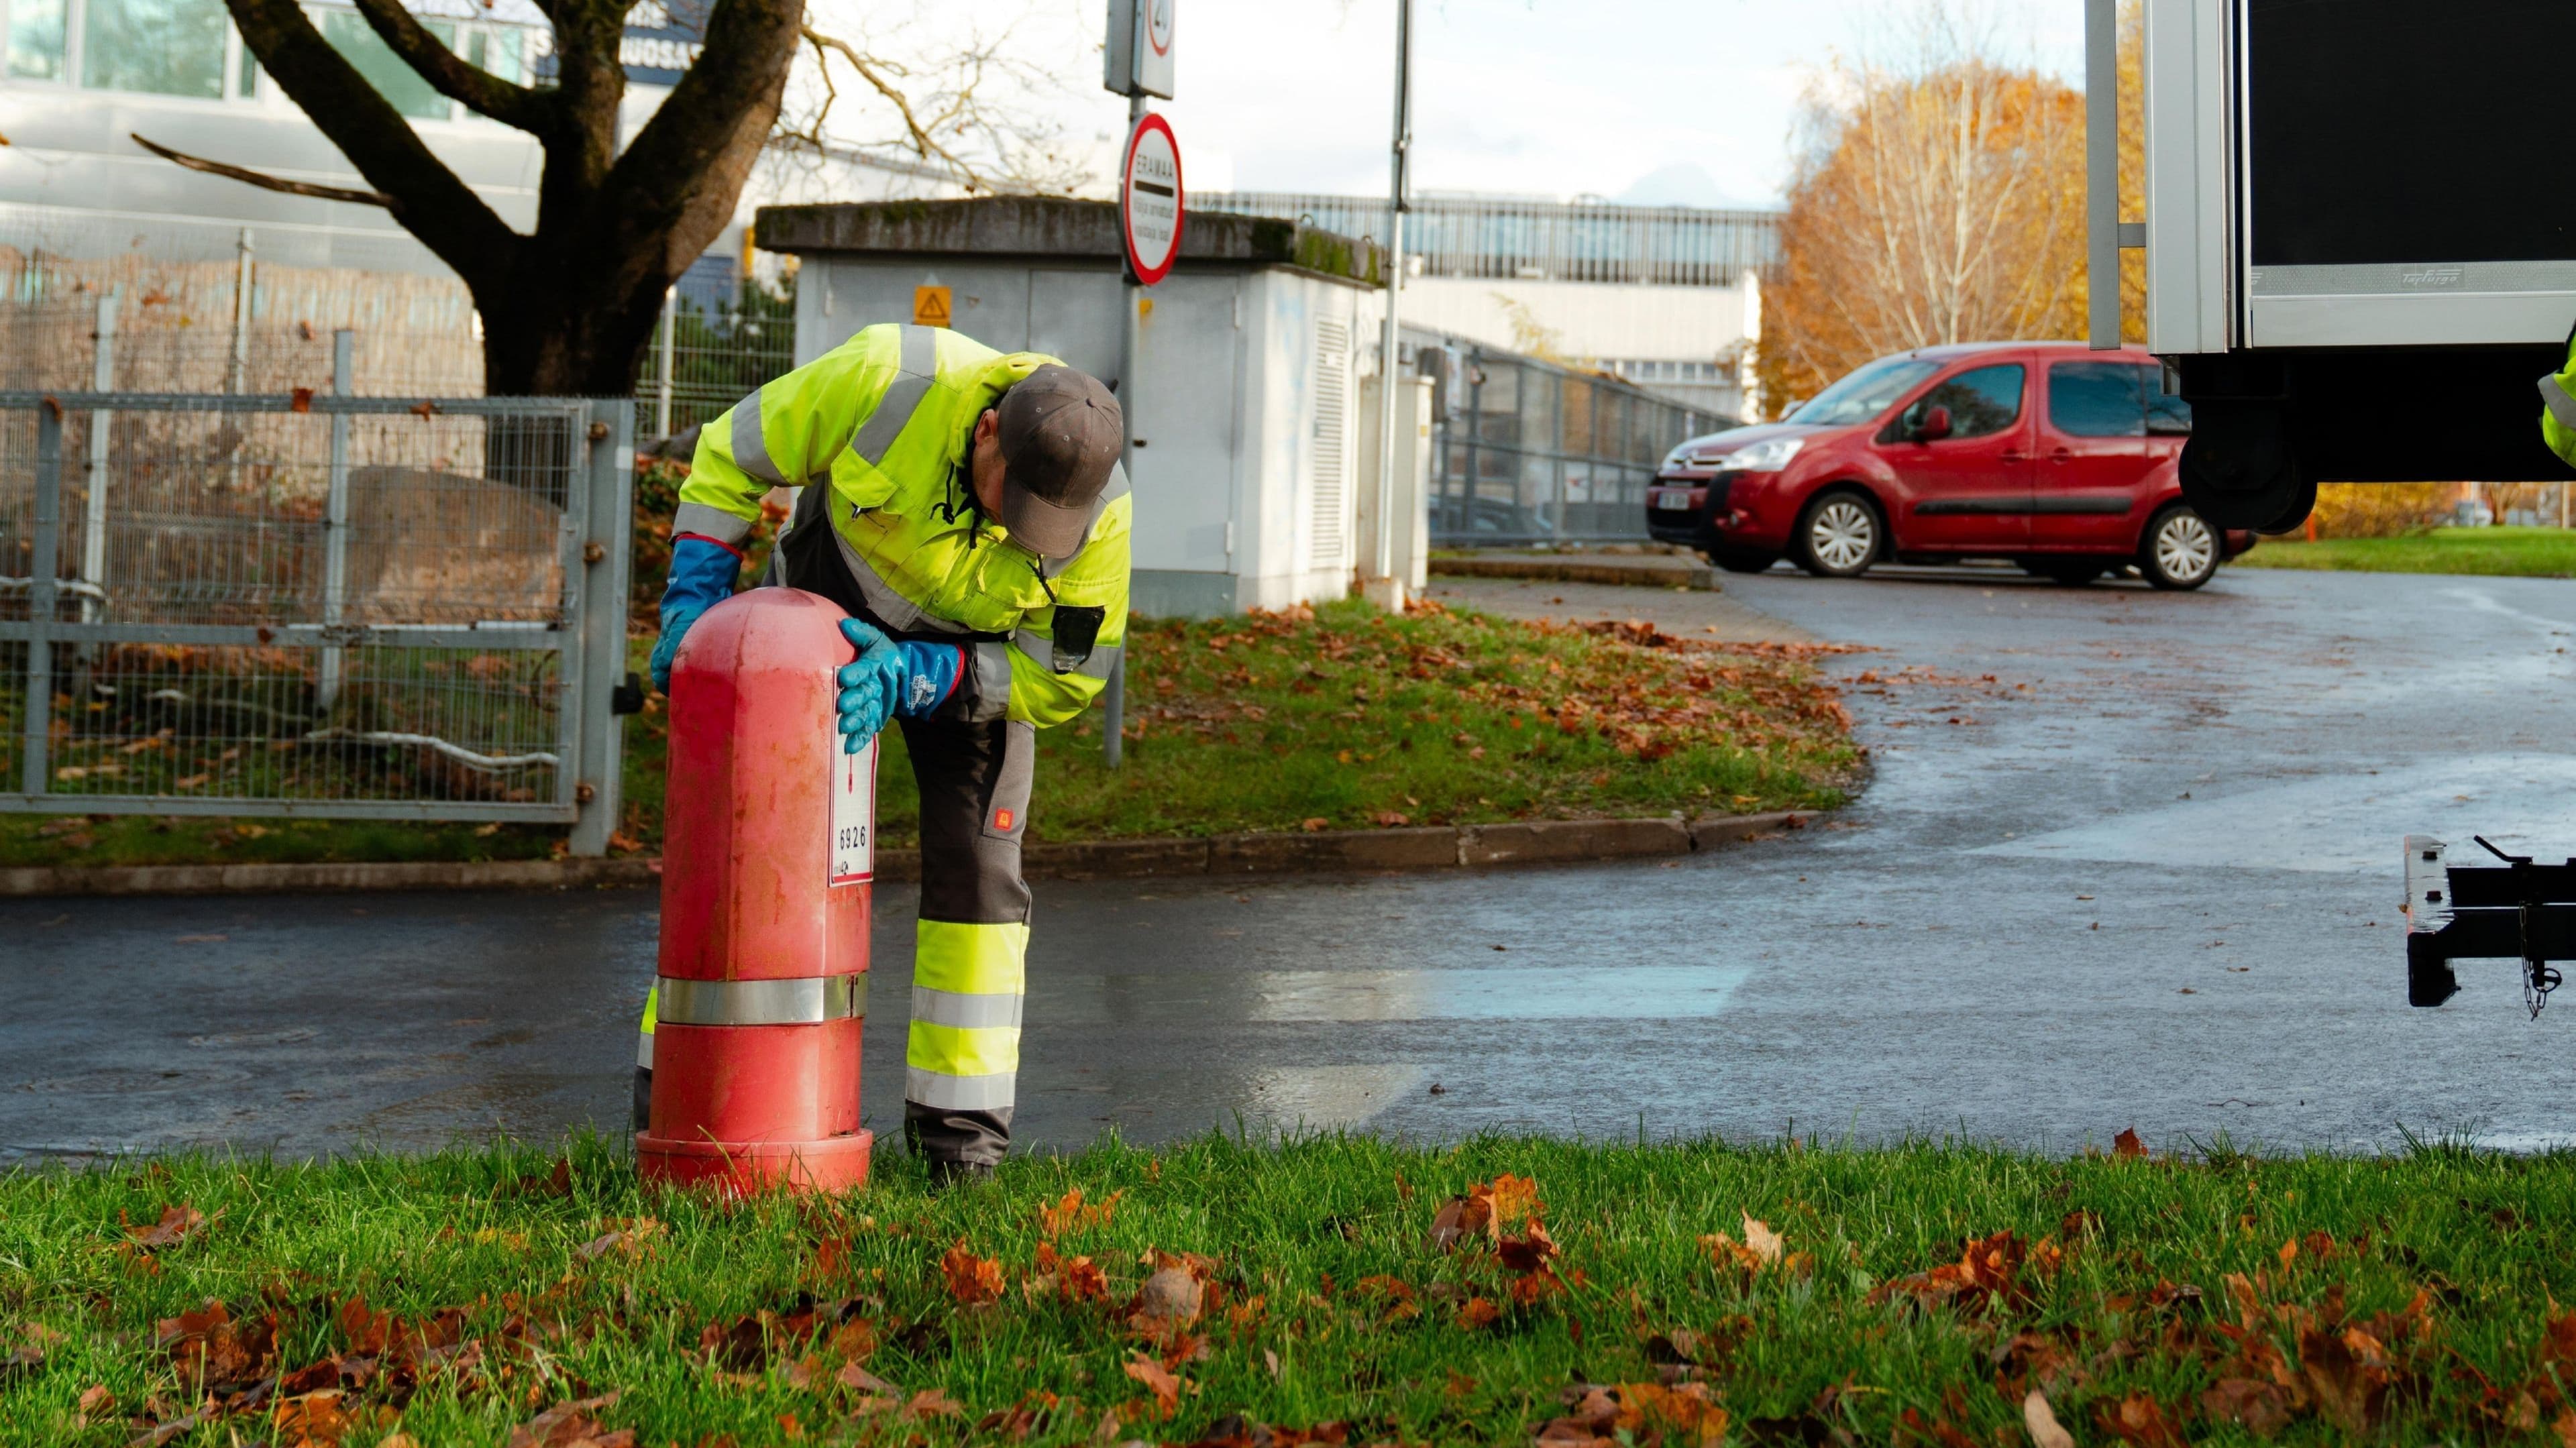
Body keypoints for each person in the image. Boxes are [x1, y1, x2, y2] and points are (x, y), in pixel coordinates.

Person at [638, 321, 1130, 1183]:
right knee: (751, 847)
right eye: (1009, 503)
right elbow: (730, 454)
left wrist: (925, 672)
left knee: (981, 876)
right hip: (818, 615)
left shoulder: (1100, 518)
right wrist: (694, 609)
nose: (1017, 532)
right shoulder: (888, 377)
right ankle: (674, 1104)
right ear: (986, 431)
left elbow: (1065, 676)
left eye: (1040, 528)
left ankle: (960, 1149)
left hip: (968, 666)